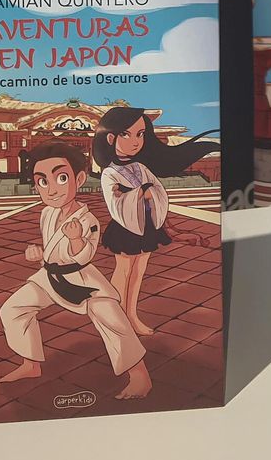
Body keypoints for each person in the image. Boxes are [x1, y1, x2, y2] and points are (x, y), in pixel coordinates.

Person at [0, 141, 151, 401]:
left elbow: (83, 257)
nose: (51, 189)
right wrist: (36, 254)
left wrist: (77, 239)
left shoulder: (86, 219)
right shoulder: (47, 213)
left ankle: (139, 375)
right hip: (50, 277)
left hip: (81, 280)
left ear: (79, 179)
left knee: (112, 320)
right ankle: (30, 364)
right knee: (12, 309)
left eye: (61, 177)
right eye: (42, 181)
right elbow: (51, 251)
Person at [93, 105, 217, 336]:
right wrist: (141, 193)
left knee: (139, 271)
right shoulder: (109, 172)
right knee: (124, 271)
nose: (135, 141)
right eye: (126, 134)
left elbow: (158, 193)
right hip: (126, 227)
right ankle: (114, 318)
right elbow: (116, 202)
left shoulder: (140, 166)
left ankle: (131, 314)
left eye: (140, 134)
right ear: (111, 138)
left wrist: (150, 195)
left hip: (147, 224)